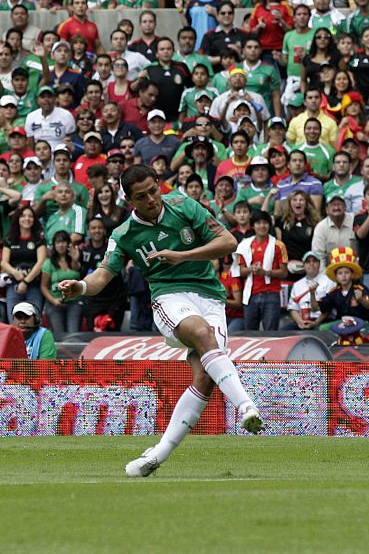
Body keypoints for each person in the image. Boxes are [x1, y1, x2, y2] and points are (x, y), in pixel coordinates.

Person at [58, 165, 264, 476]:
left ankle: (155, 457)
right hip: (169, 297)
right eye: (142, 196)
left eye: (154, 190)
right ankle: (246, 405)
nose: (152, 199)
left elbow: (228, 243)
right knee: (201, 332)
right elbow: (103, 275)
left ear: (159, 184)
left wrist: (182, 255)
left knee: (205, 378)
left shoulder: (184, 205)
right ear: (130, 200)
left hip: (210, 297)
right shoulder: (124, 234)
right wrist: (81, 287)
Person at [231, 210, 288, 331]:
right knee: (250, 335)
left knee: (271, 334)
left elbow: (284, 273)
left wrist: (266, 272)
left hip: (271, 294)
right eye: (258, 223)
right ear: (252, 226)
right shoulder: (245, 245)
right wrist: (251, 269)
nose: (262, 226)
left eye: (265, 223)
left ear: (269, 225)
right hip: (250, 294)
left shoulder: (278, 245)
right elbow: (239, 271)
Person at [286, 250, 335, 330]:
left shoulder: (329, 281)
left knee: (318, 331)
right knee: (284, 331)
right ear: (303, 265)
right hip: (302, 319)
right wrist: (300, 322)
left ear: (319, 264)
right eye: (308, 262)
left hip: (321, 320)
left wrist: (315, 323)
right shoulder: (297, 284)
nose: (311, 264)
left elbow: (328, 310)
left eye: (314, 261)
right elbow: (293, 308)